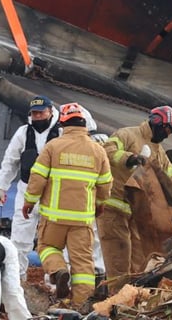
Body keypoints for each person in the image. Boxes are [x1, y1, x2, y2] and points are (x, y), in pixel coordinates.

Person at [22, 102, 112, 306]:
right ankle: (80, 305)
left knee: (46, 246)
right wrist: (100, 204)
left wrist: (29, 201)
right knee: (83, 264)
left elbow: (37, 177)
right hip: (82, 219)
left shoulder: (53, 146)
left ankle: (58, 270)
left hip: (54, 218)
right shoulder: (97, 150)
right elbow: (106, 183)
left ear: (62, 123)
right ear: (84, 124)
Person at [99, 105, 172, 279]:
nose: (167, 135)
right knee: (117, 256)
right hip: (114, 207)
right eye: (167, 130)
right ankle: (116, 297)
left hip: (138, 212)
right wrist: (128, 158)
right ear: (157, 121)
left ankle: (134, 295)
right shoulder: (127, 135)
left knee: (141, 260)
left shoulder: (159, 153)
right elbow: (107, 151)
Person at [0, 94, 60, 278]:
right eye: (34, 113)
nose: (37, 116)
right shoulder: (23, 132)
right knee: (20, 237)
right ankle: (17, 277)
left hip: (52, 191)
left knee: (51, 239)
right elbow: (10, 160)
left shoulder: (61, 132)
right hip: (26, 189)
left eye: (41, 113)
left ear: (50, 111)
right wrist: (2, 186)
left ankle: (53, 279)